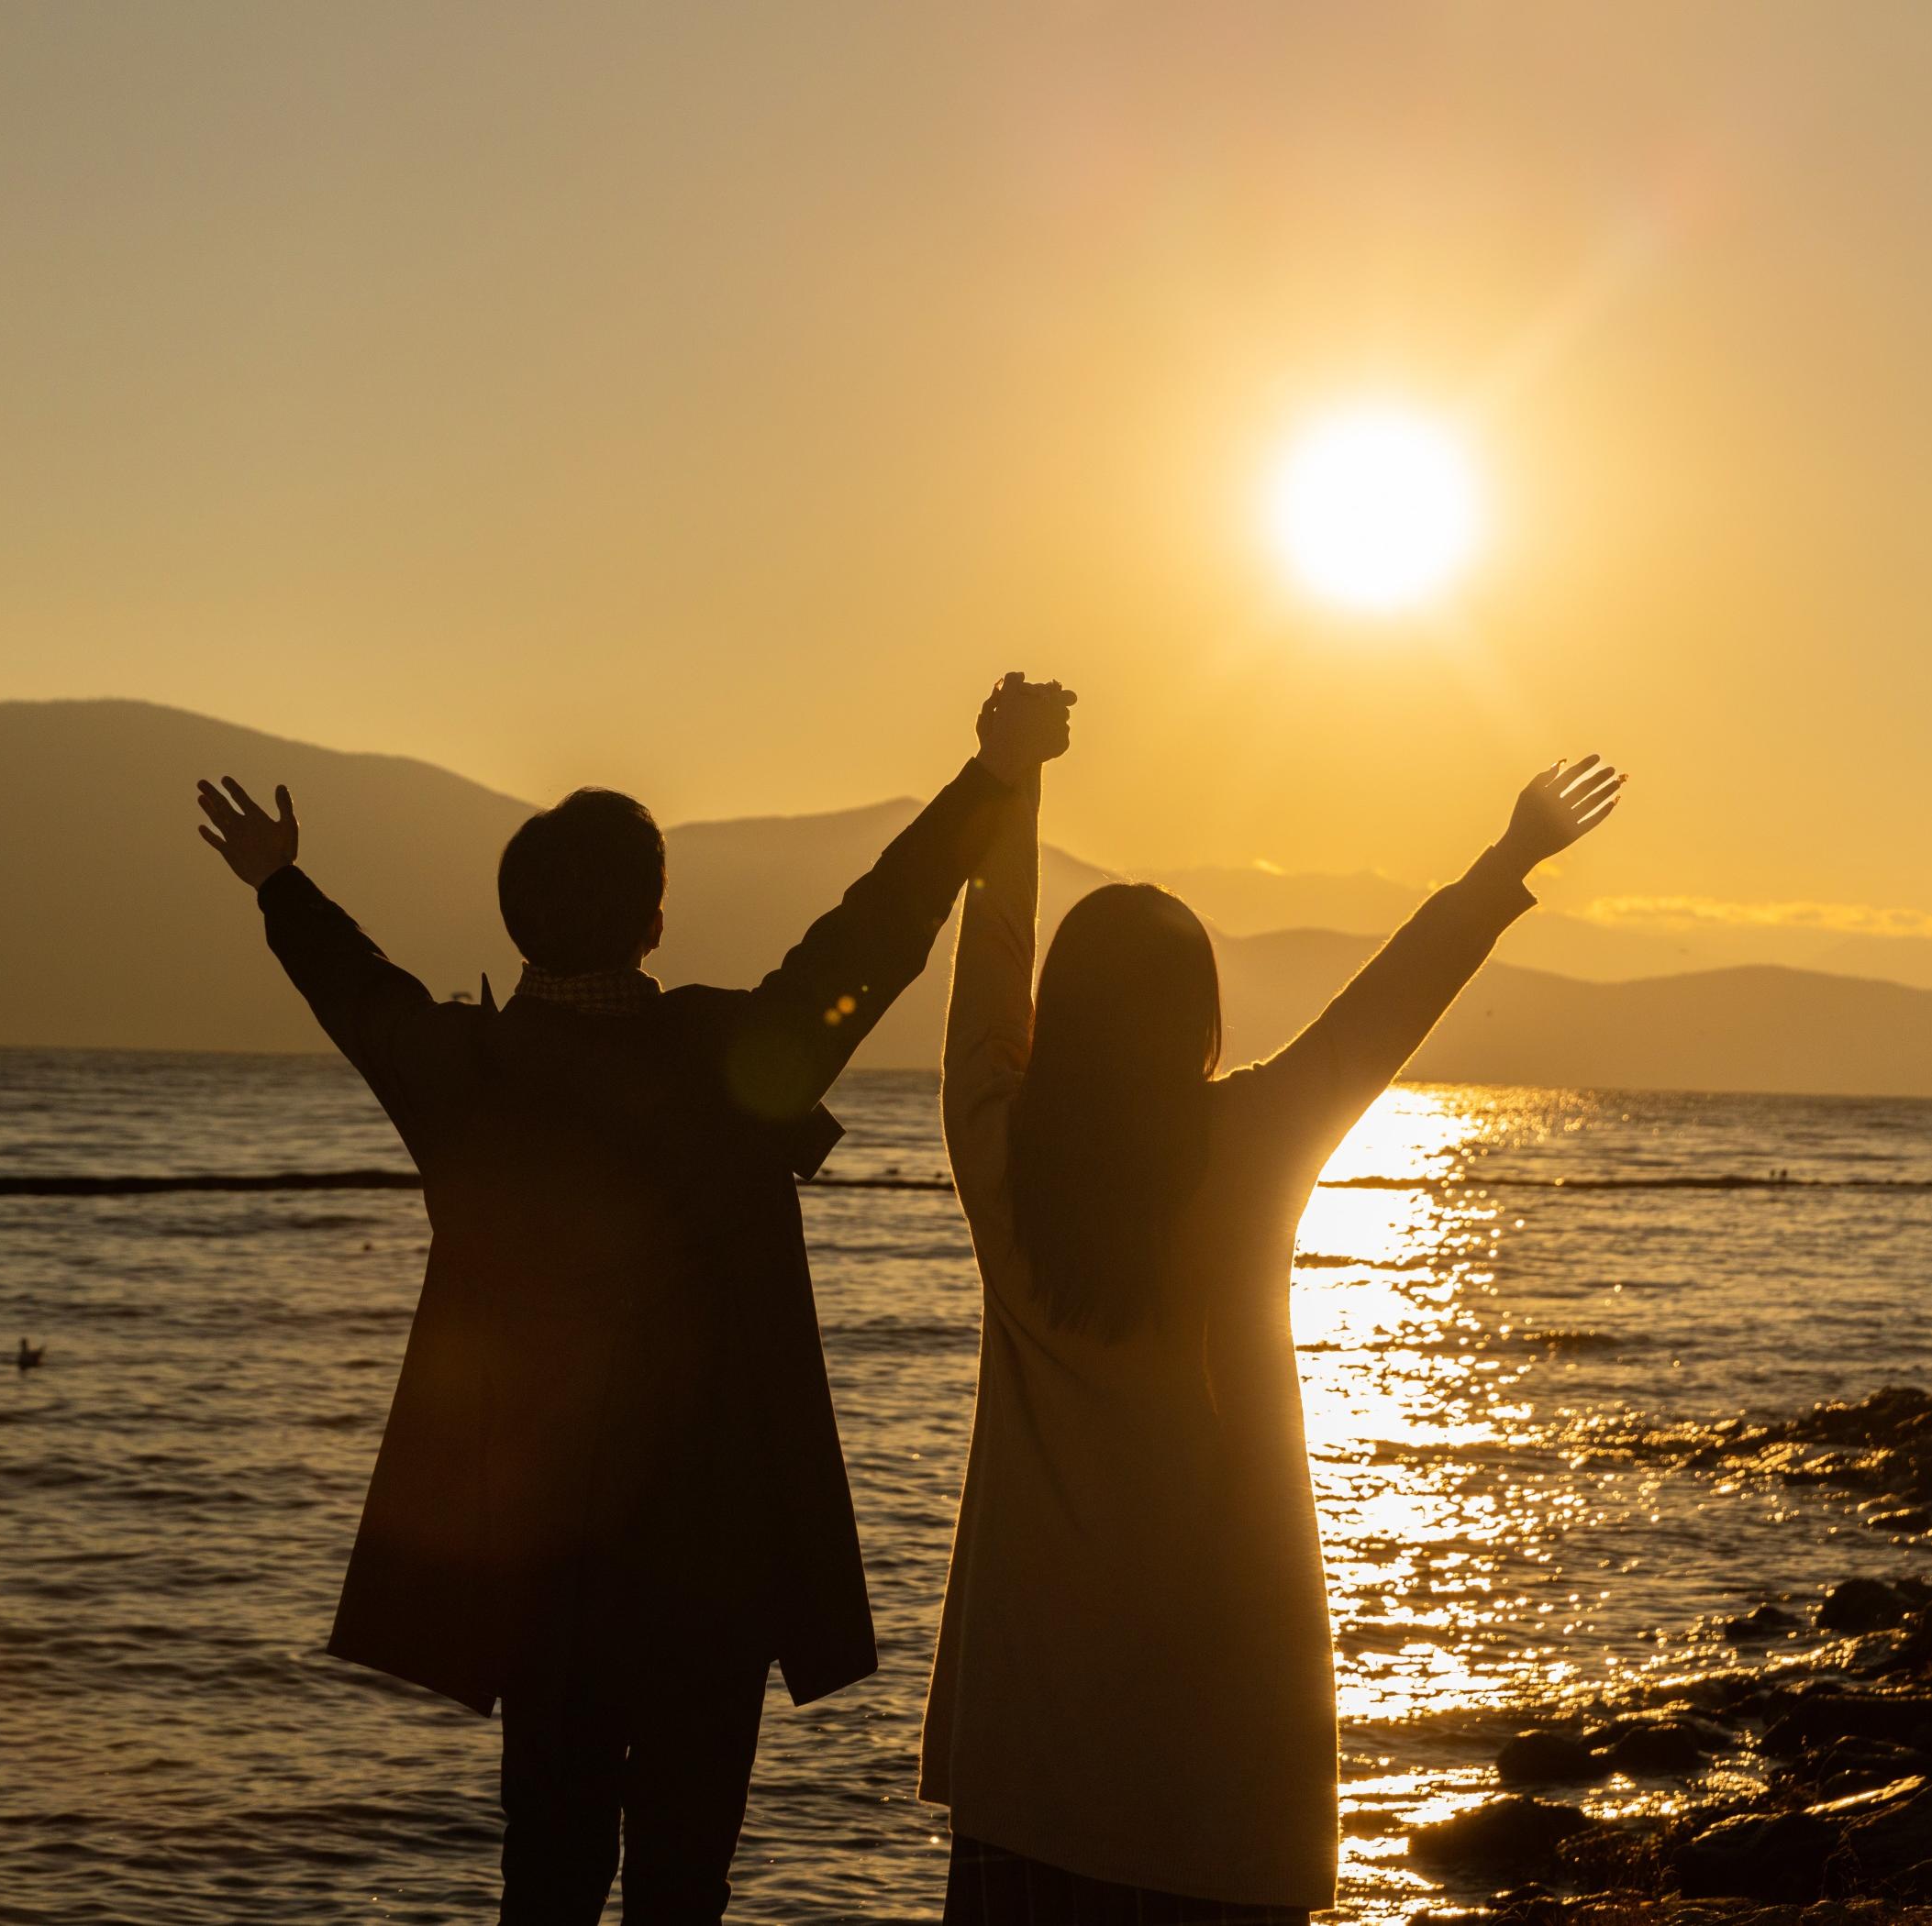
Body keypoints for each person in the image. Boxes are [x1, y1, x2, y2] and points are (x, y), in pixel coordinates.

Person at [191, 673, 1073, 1926]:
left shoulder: (471, 1076)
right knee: (682, 1887)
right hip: (715, 1565)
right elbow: (873, 937)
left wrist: (281, 881)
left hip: (544, 1566)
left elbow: (363, 996)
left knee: (546, 1873)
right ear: (653, 923)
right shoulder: (734, 1062)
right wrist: (991, 779)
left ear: (518, 926)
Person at [921, 751, 1624, 1921]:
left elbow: (990, 968)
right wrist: (1507, 862)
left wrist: (1014, 786)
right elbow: (1385, 1009)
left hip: (1030, 1734)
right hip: (1220, 1730)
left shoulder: (1000, 1156)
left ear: (1068, 1009)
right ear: (1196, 1014)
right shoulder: (1251, 1143)